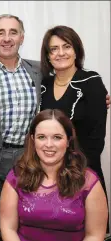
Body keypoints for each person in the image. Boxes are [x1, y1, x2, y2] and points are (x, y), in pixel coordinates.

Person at [0, 14, 110, 193]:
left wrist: (98, 98)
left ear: (22, 38)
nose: (6, 38)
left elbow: (69, 88)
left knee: (32, 214)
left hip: (34, 158)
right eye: (1, 33)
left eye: (13, 32)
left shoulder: (39, 71)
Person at [0, 109, 108, 241]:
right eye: (41, 137)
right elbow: (8, 228)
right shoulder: (16, 177)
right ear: (33, 140)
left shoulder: (88, 182)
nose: (49, 144)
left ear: (68, 141)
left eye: (57, 137)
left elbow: (94, 236)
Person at [39, 25, 108, 199]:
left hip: (83, 173)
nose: (60, 53)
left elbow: (96, 140)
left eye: (66, 46)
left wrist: (72, 173)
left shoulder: (91, 82)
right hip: (48, 175)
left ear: (76, 51)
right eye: (54, 49)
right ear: (48, 55)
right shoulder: (44, 84)